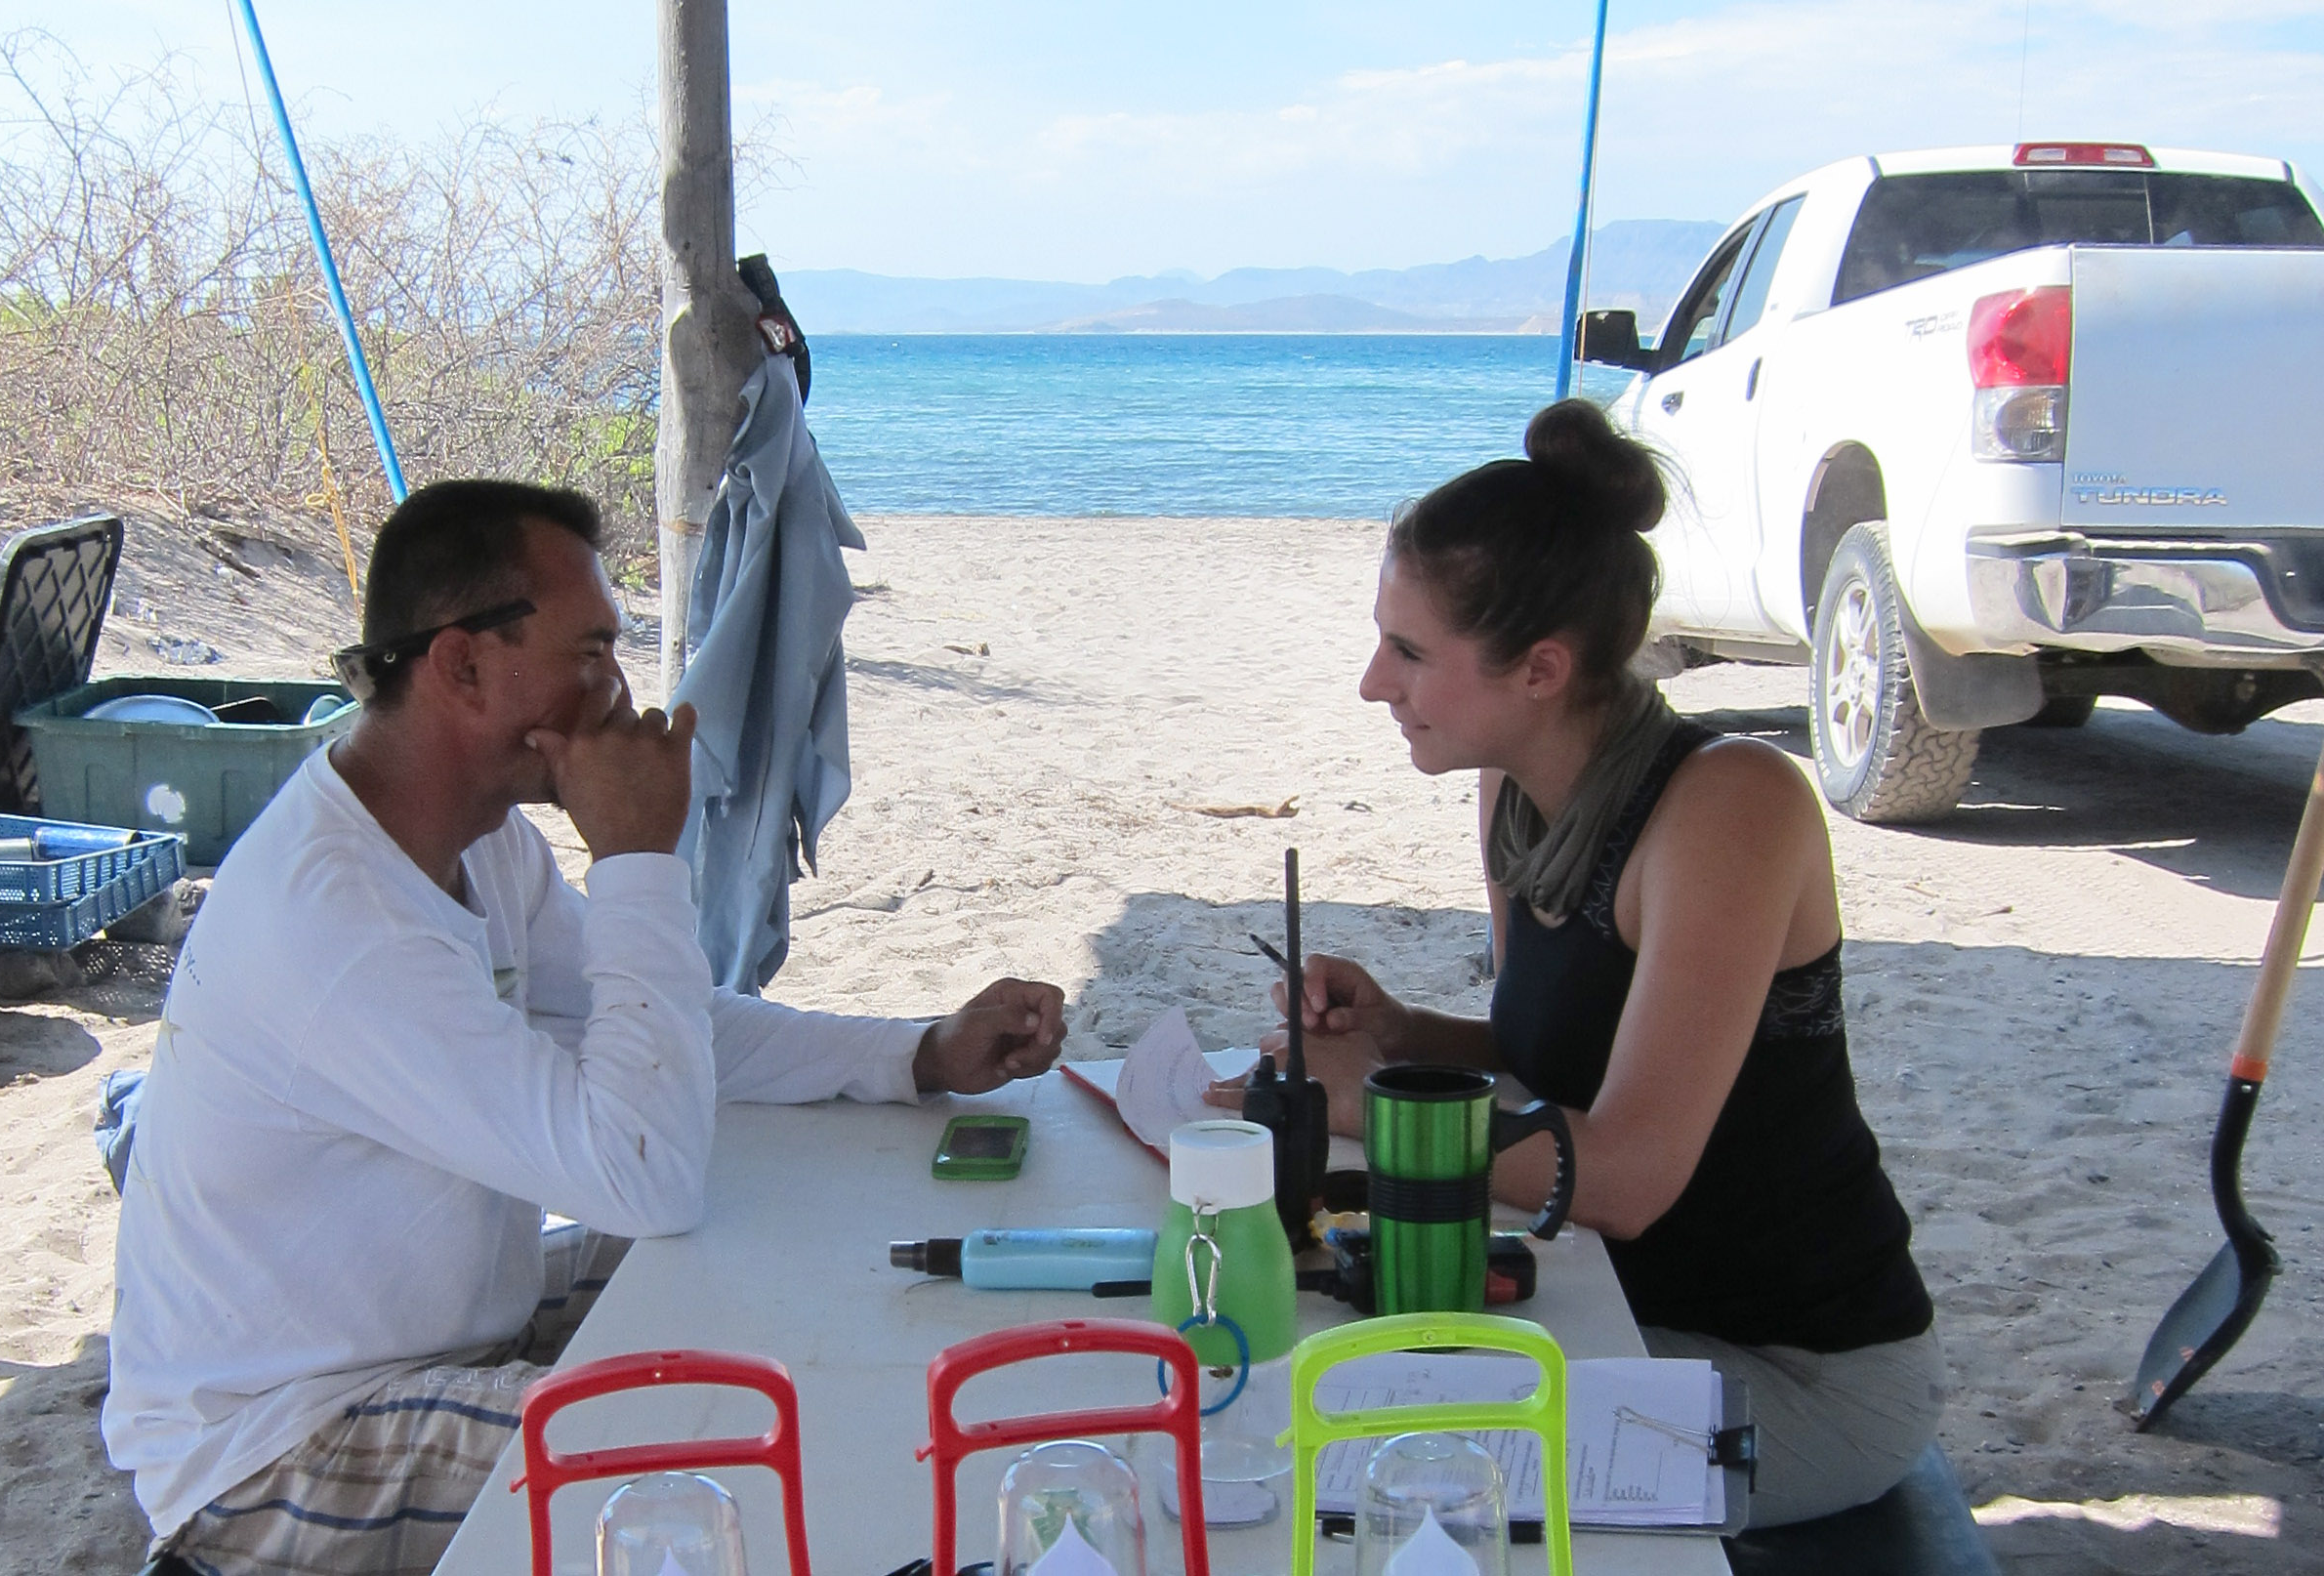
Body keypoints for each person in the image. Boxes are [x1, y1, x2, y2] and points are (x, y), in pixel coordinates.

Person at [103, 479, 1066, 1576]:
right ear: (462, 666)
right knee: (720, 1459)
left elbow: (674, 1032)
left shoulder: (473, 834)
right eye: (593, 650)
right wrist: (637, 860)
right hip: (283, 1445)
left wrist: (915, 1053)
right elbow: (641, 1169)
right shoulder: (342, 919)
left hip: (449, 1328)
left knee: (776, 1233)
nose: (617, 694)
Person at [1220, 400, 1942, 1528]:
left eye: (1408, 651)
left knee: (1375, 1475)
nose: (1374, 682)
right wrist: (1404, 1036)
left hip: (1799, 1372)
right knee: (1294, 1382)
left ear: (1542, 670)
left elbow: (1627, 1176)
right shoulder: (1516, 789)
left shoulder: (1729, 807)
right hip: (1616, 1307)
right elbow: (1542, 1052)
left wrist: (1373, 1106)